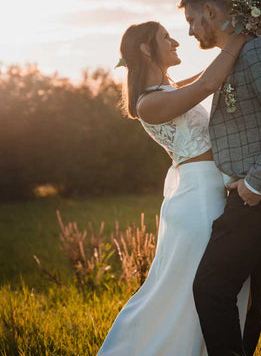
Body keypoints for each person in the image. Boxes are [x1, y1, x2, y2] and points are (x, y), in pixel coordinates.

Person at [97, 21, 251, 356]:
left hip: (209, 190)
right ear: (144, 49)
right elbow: (210, 82)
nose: (176, 41)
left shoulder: (166, 90)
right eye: (166, 37)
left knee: (209, 285)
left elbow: (203, 78)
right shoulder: (147, 104)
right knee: (195, 290)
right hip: (199, 200)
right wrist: (242, 35)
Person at [178, 0, 261, 356]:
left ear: (210, 11)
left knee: (211, 289)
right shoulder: (235, 57)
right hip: (247, 196)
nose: (189, 31)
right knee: (250, 300)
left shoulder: (259, 53)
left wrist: (256, 184)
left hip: (257, 199)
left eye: (191, 20)